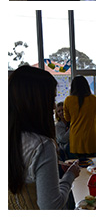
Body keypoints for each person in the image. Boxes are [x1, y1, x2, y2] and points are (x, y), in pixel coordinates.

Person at [8, 66, 80, 209]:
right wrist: (70, 176)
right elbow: (51, 207)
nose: (53, 106)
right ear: (36, 102)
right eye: (51, 98)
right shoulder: (42, 145)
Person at [63, 75, 96, 159]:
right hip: (90, 136)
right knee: (92, 163)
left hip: (76, 137)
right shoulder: (93, 99)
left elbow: (67, 118)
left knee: (79, 164)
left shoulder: (68, 100)